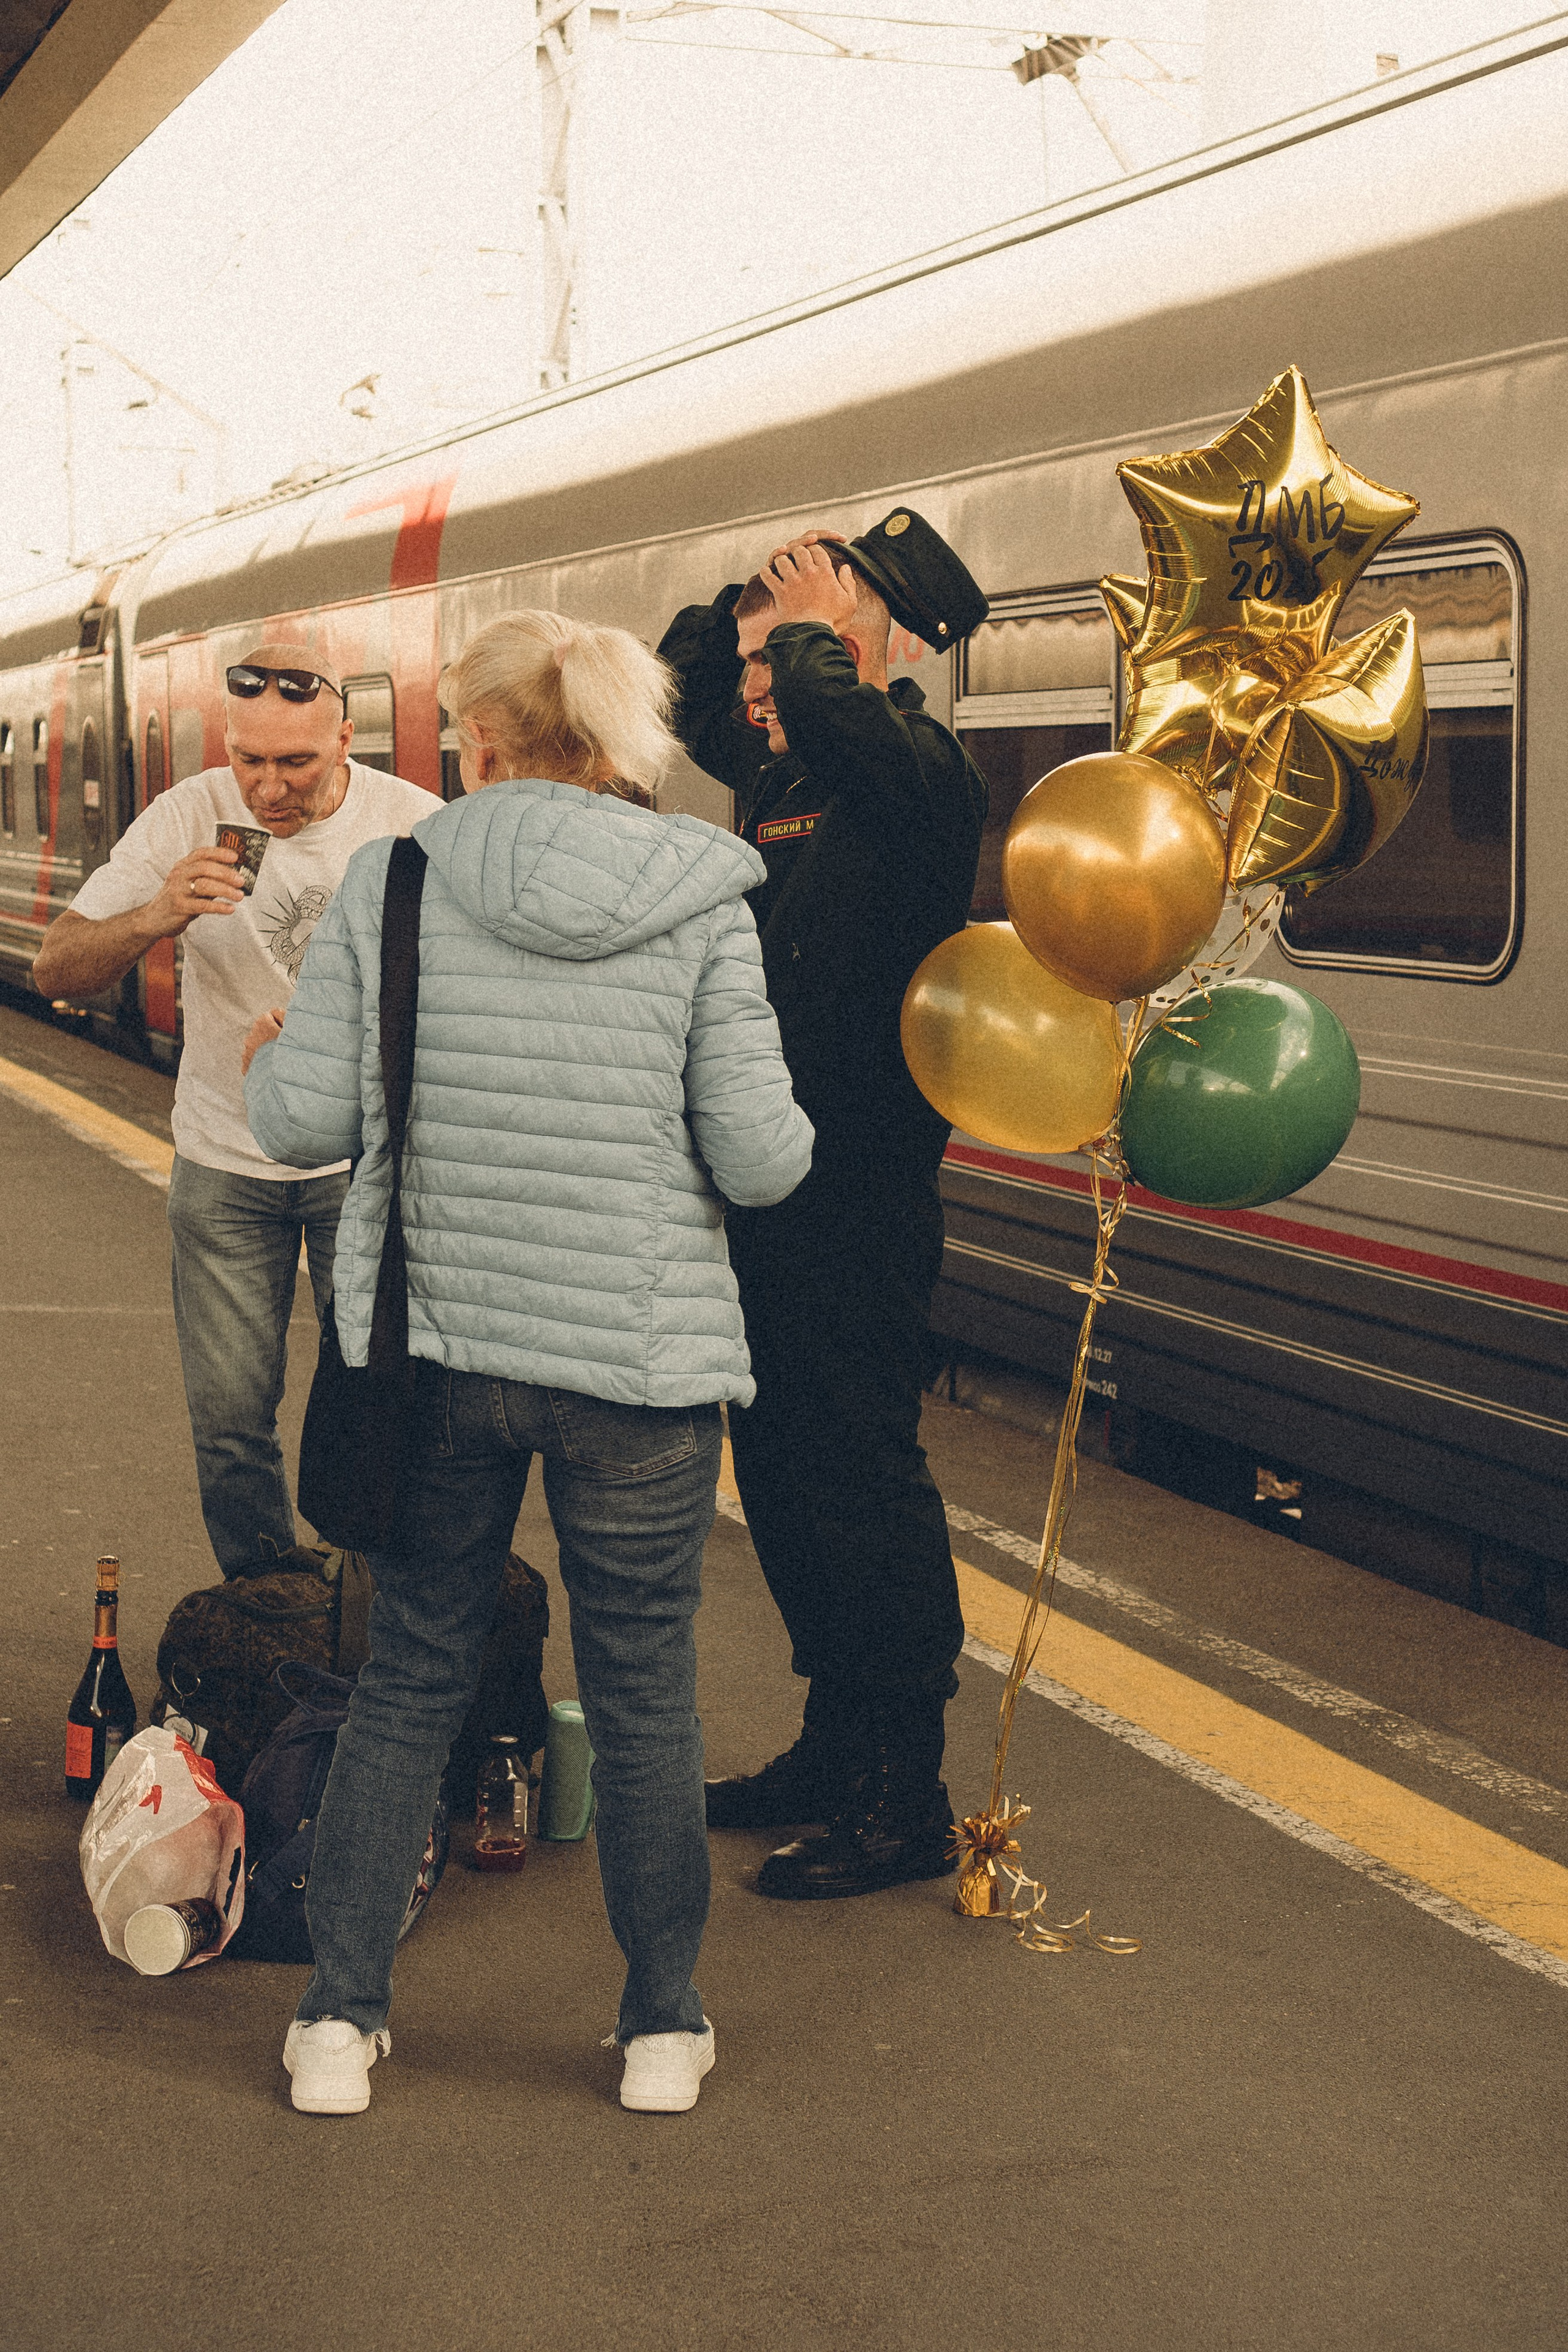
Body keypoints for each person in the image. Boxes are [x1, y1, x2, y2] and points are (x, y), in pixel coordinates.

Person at [244, 607, 812, 2118]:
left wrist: (284, 1054)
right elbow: (759, 1164)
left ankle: (335, 2024)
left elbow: (299, 1126)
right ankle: (660, 2030)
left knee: (410, 1676)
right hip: (636, 1366)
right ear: (623, 739)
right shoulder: (706, 898)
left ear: (478, 739)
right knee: (644, 1695)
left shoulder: (399, 881)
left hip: (440, 1353)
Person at [657, 510, 989, 1902]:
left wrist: (814, 635)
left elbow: (839, 717)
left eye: (786, 661)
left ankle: (899, 1793)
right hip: (770, 1189)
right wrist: (746, 613)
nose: (760, 691)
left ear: (873, 646)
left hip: (857, 1191)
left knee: (857, 1478)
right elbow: (682, 690)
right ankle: (830, 1741)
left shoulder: (915, 773)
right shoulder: (790, 776)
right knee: (785, 1475)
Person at [32, 646, 431, 1580]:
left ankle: (369, 1615)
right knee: (229, 1418)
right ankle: (264, 1609)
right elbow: (56, 967)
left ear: (346, 737)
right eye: (250, 760)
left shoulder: (412, 824)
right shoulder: (188, 814)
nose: (268, 785)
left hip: (359, 1165)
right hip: (224, 1161)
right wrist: (154, 915)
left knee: (378, 1405)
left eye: (296, 763)